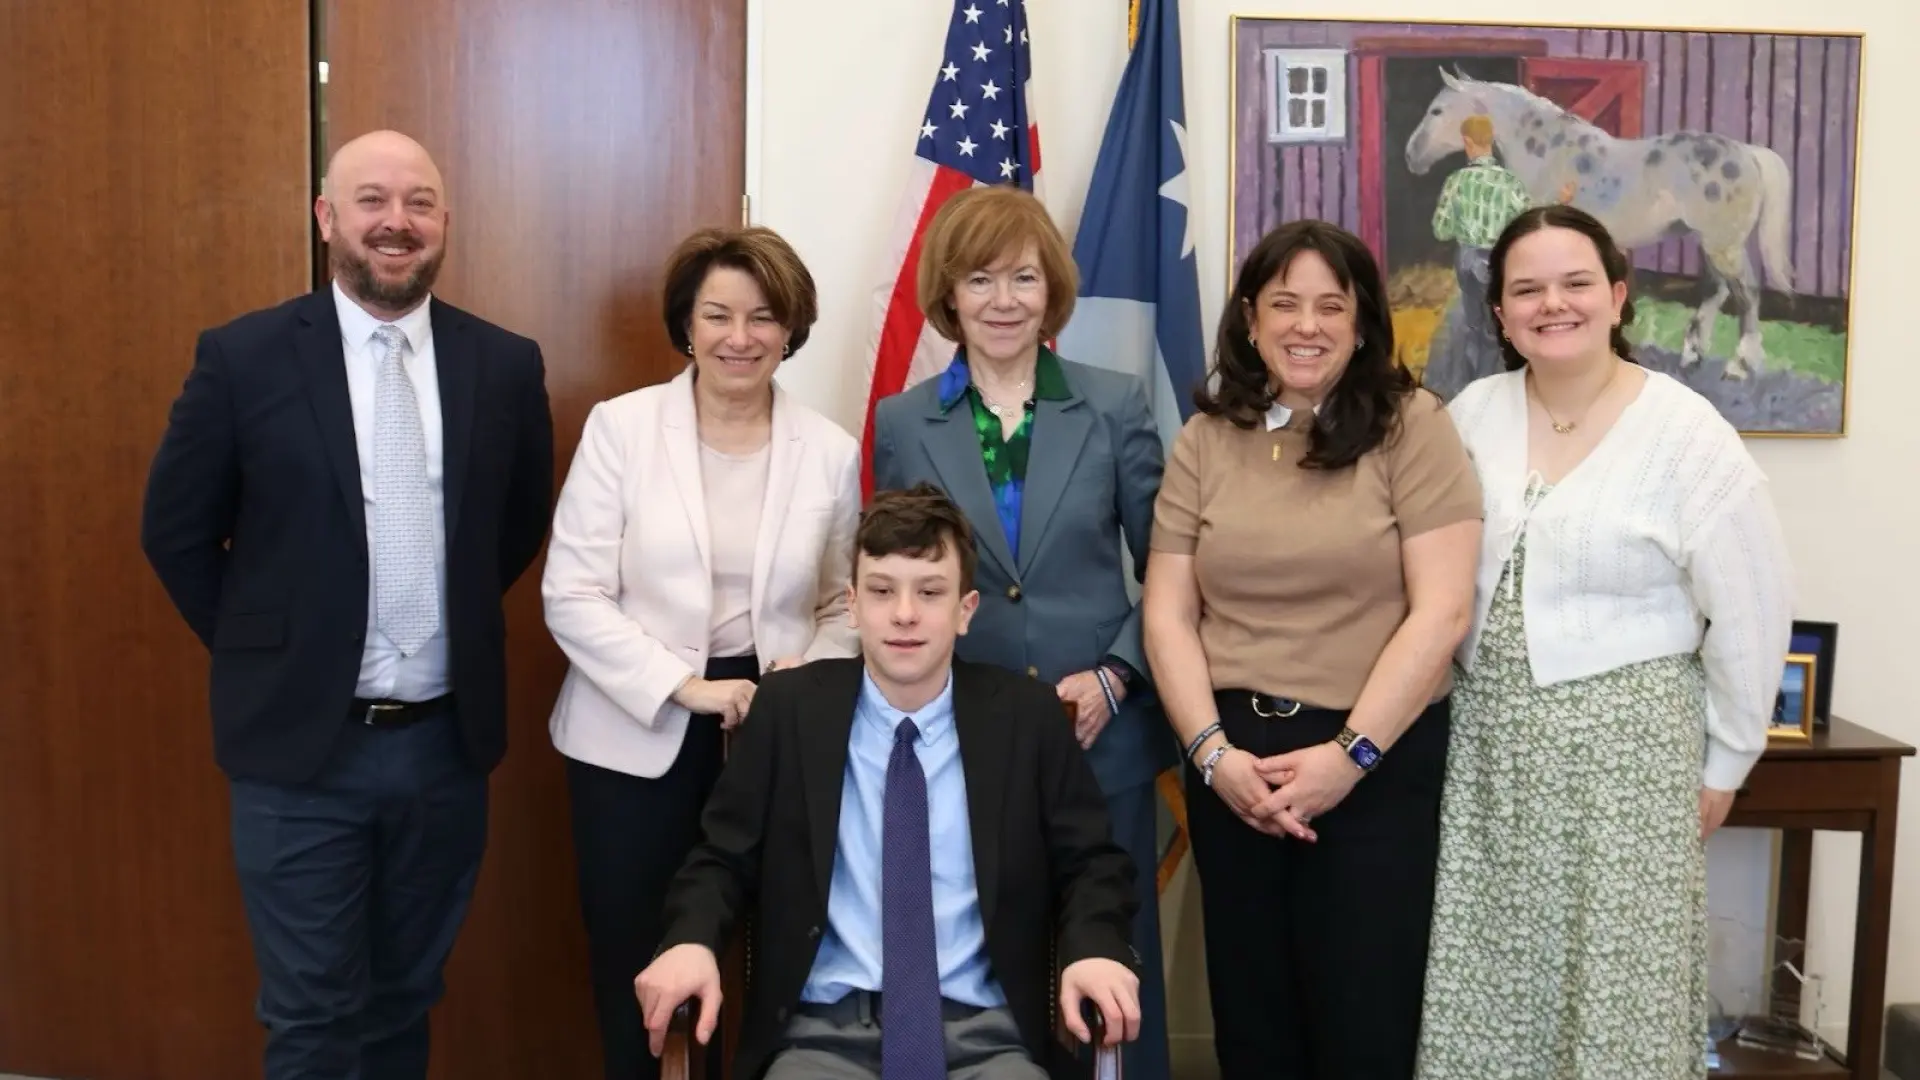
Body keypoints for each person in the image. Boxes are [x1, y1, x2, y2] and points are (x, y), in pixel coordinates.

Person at [139, 130, 555, 1080]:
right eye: (371, 201)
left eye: (417, 202)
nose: (395, 222)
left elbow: (515, 525)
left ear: (444, 223)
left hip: (443, 751)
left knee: (404, 1001)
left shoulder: (503, 363)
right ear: (328, 218)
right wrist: (274, 651)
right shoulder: (242, 359)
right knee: (313, 1018)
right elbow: (175, 532)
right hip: (299, 761)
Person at [1415, 205, 1795, 1079]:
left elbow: (1752, 604)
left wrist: (1727, 761)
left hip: (1629, 765)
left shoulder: (1685, 432)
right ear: (1501, 313)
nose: (1555, 303)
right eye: (1528, 288)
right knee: (1494, 979)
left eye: (1577, 282)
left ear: (1618, 296)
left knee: (1617, 990)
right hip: (1489, 754)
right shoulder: (1471, 414)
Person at [633, 484, 1142, 1080]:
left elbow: (1092, 864)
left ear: (966, 610)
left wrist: (1095, 948)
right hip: (819, 1036)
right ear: (852, 606)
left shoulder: (1026, 718)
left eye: (930, 592)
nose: (904, 613)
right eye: (882, 591)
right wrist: (689, 939)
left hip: (989, 1036)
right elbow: (721, 857)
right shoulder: (790, 711)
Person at [1141, 219, 1483, 1079]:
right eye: (1284, 303)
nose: (1307, 324)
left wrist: (1349, 757)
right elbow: (1168, 614)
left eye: (1332, 305)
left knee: (1364, 1024)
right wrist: (1212, 757)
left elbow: (1441, 615)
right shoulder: (1204, 440)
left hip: (1375, 764)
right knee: (1253, 1023)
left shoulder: (1416, 428)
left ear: (1364, 322)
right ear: (1250, 321)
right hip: (1233, 767)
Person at [541, 225, 861, 1079]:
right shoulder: (621, 429)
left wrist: (799, 675)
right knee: (639, 961)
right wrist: (688, 687)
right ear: (686, 325)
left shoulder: (829, 452)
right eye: (717, 315)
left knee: (770, 957)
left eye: (763, 317)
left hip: (773, 727)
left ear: (791, 329)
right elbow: (569, 594)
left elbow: (843, 603)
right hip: (631, 730)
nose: (740, 337)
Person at [869, 182, 1172, 1080]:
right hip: (964, 738)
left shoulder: (1114, 406)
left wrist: (1115, 677)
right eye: (979, 280)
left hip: (1101, 734)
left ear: (1053, 293)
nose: (1003, 301)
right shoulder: (902, 421)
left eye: (1024, 279)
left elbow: (1172, 572)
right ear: (948, 296)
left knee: (1113, 965)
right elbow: (904, 586)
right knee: (987, 966)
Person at [1421, 114, 1537, 400]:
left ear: (1467, 142)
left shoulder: (1457, 182)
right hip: (1498, 260)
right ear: (1491, 141)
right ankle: (1494, 386)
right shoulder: (1510, 183)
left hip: (1467, 258)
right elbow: (1527, 222)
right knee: (1497, 324)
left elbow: (1441, 230)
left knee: (1475, 324)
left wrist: (1465, 223)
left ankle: (1476, 386)